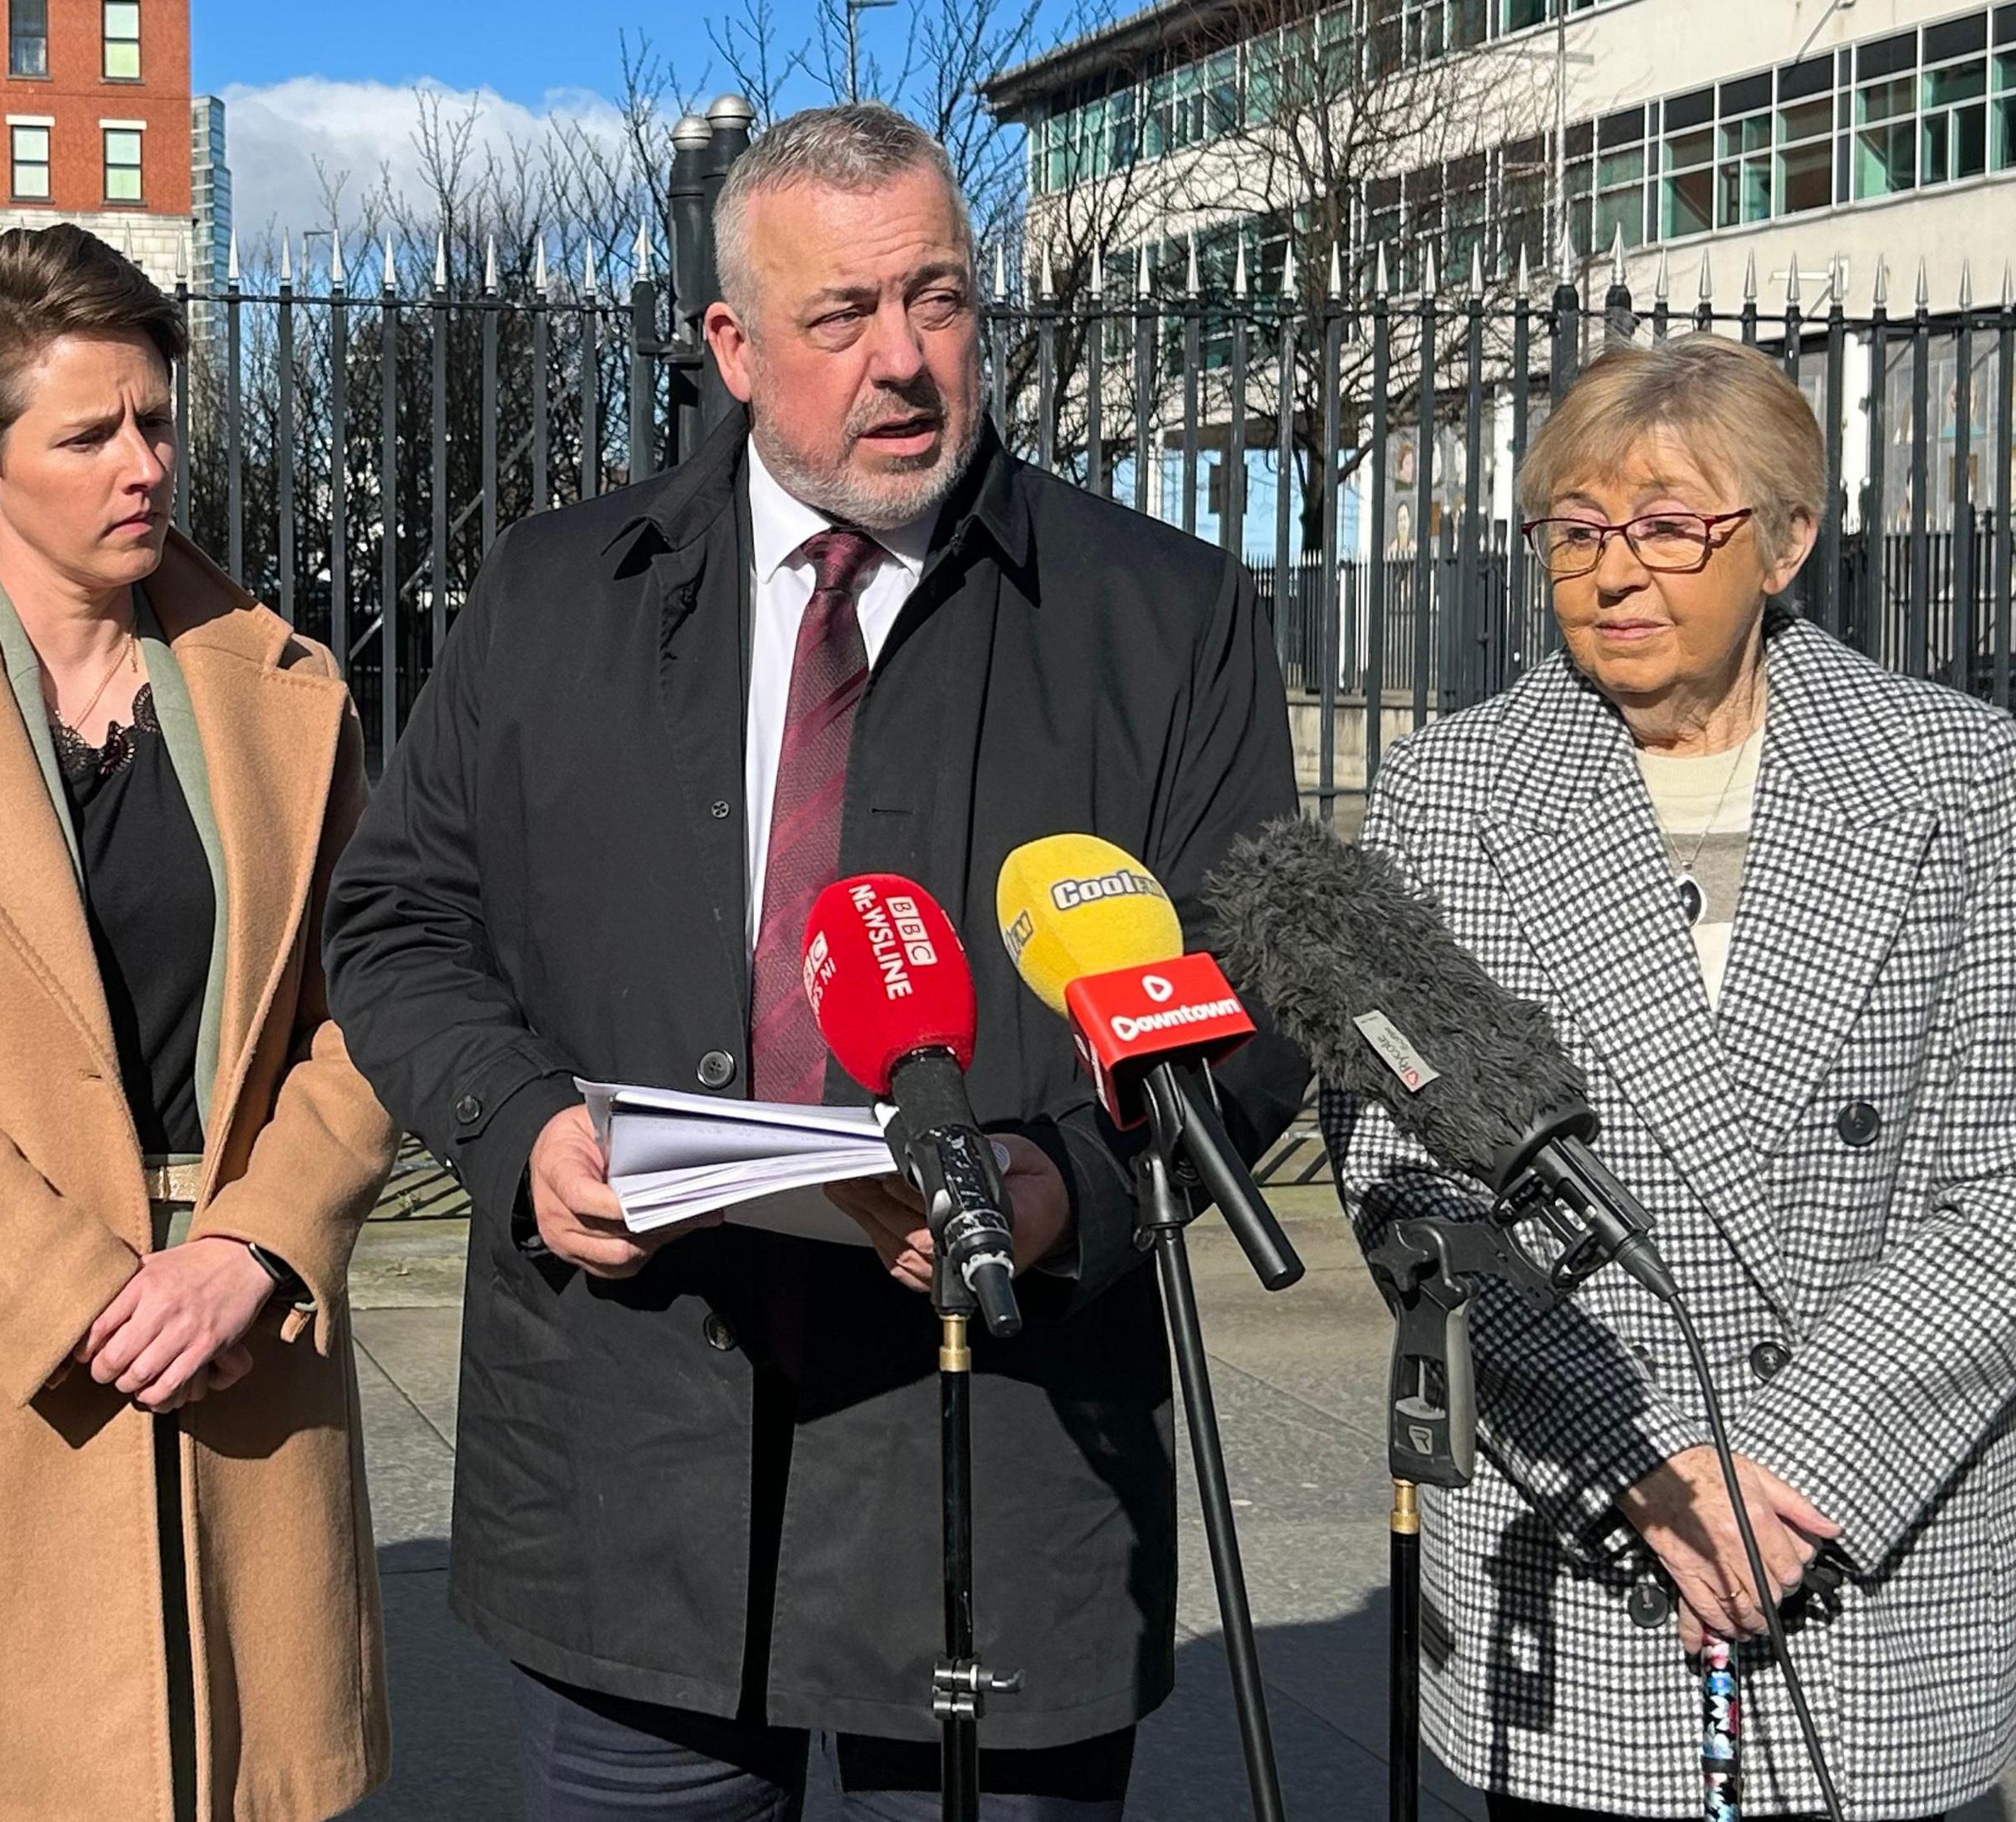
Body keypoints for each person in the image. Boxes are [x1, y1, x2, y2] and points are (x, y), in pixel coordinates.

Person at [323, 105, 1306, 1819]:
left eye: (940, 299)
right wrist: (516, 1126)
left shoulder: (1166, 615)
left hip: (999, 1465)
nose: (908, 361)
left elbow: (1261, 991)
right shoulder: (557, 597)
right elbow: (398, 921)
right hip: (635, 1460)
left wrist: (1064, 1183)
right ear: (732, 343)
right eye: (843, 316)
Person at [1324, 334, 2016, 1822]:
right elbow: (1400, 1171)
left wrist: (1788, 1468)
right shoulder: (1454, 791)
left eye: (1671, 527)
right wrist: (1647, 1463)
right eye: (1576, 530)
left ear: (1787, 540)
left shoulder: (1950, 773)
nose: (1616, 573)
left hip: (1872, 1516)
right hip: (1585, 1518)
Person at [0, 224, 397, 1822]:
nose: (142, 466)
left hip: (246, 1329)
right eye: (88, 434)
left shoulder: (292, 688)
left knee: (241, 1776)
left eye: (157, 421)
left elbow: (371, 1003)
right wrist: (83, 1288)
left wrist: (258, 1247)